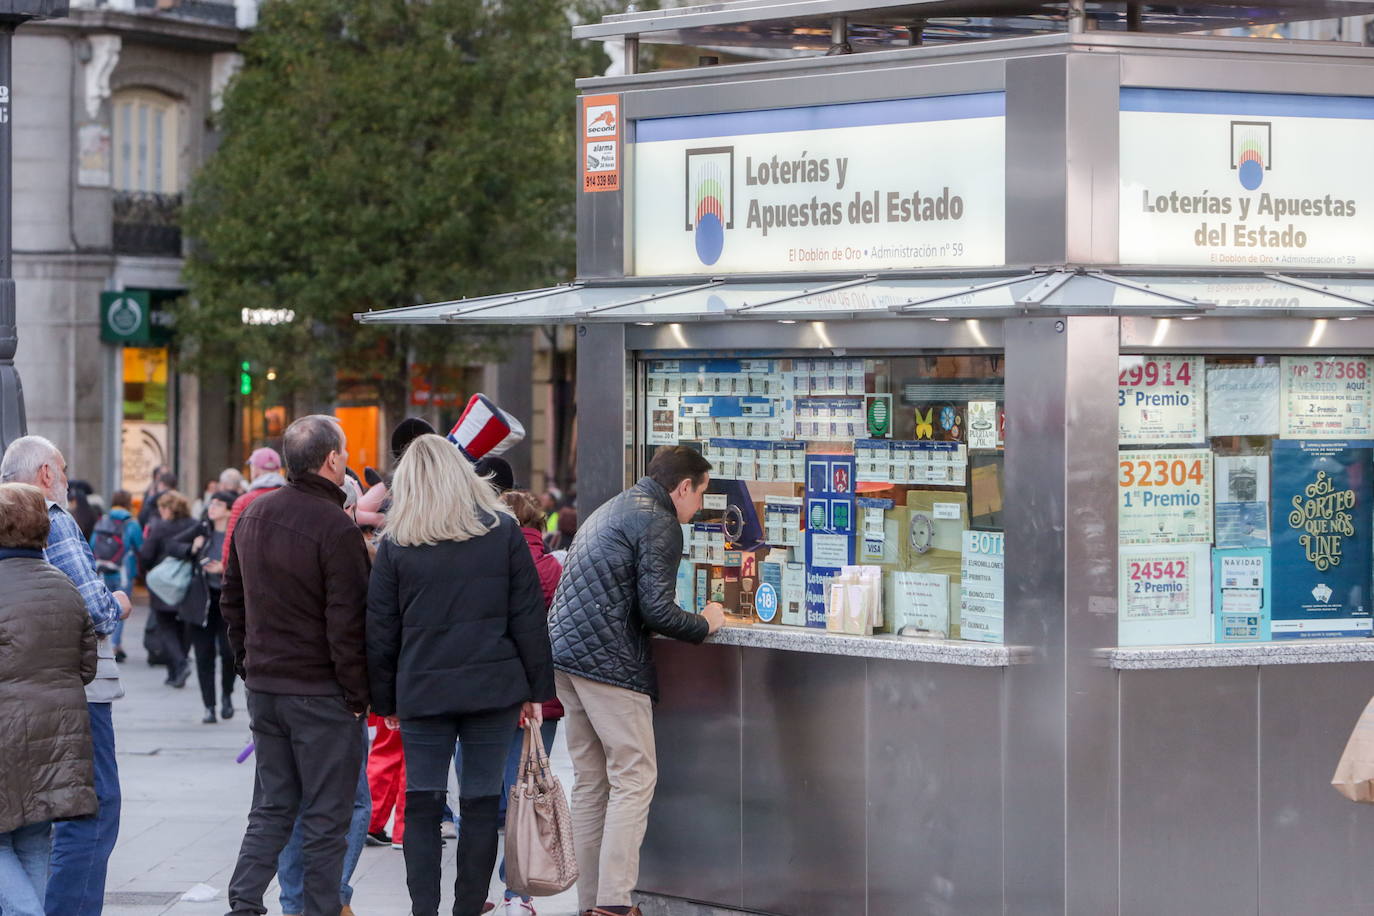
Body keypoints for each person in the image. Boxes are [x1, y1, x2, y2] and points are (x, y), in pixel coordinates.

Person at [366, 434, 554, 916]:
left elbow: (381, 629)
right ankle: (468, 907)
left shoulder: (397, 541)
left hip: (423, 690)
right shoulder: (502, 531)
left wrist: (385, 701)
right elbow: (527, 616)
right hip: (492, 690)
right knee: (480, 805)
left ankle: (423, 909)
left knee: (423, 805)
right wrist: (536, 690)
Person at [549, 446, 726, 916]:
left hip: (566, 657)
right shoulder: (660, 521)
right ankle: (612, 905)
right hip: (609, 663)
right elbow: (657, 610)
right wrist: (706, 623)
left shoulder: (618, 505)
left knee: (591, 783)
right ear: (683, 486)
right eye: (701, 494)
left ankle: (591, 905)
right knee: (634, 777)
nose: (699, 508)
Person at [221, 415, 371, 916]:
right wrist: (357, 695)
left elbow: (232, 600)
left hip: (268, 688)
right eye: (345, 453)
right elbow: (346, 622)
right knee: (328, 817)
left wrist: (247, 662)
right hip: (320, 692)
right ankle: (319, 908)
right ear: (332, 459)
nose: (346, 460)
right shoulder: (335, 527)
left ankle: (244, 902)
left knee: (272, 805)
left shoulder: (253, 514)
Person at [0, 436, 132, 916]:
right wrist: (116, 600)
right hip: (69, 700)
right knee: (88, 809)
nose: (66, 481)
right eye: (62, 468)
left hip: (22, 702)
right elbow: (93, 613)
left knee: (29, 825)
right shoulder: (52, 519)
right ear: (44, 475)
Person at [0, 482, 98, 916]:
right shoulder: (64, 585)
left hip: (5, 734)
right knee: (34, 840)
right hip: (57, 737)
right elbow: (86, 667)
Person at [492, 489, 564, 915]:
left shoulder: (492, 563)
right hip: (543, 698)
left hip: (498, 694)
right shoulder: (552, 567)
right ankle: (517, 892)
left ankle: (499, 886)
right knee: (531, 792)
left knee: (500, 795)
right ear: (537, 524)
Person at [169, 490, 238, 723]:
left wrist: (224, 569)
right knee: (203, 656)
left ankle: (227, 694)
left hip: (227, 602)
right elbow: (173, 545)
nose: (212, 508)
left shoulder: (235, 532)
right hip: (200, 602)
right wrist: (193, 549)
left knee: (229, 653)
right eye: (211, 503)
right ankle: (209, 706)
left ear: (229, 509)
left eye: (218, 504)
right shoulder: (202, 529)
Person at [138, 489, 198, 689]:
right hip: (187, 583)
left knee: (165, 627)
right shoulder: (194, 525)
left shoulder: (161, 527)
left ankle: (179, 665)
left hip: (163, 584)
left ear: (168, 509)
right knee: (183, 627)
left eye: (162, 508)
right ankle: (175, 671)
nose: (160, 511)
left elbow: (146, 555)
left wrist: (146, 571)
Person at [91, 489, 143, 664]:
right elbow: (140, 546)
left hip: (103, 570)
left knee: (106, 605)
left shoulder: (104, 520)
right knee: (121, 606)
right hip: (123, 570)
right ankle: (115, 644)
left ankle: (109, 642)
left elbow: (92, 544)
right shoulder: (131, 523)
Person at [223, 447, 286, 564]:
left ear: (255, 470)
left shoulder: (243, 501)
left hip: (251, 572)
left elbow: (231, 544)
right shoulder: (292, 498)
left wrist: (225, 569)